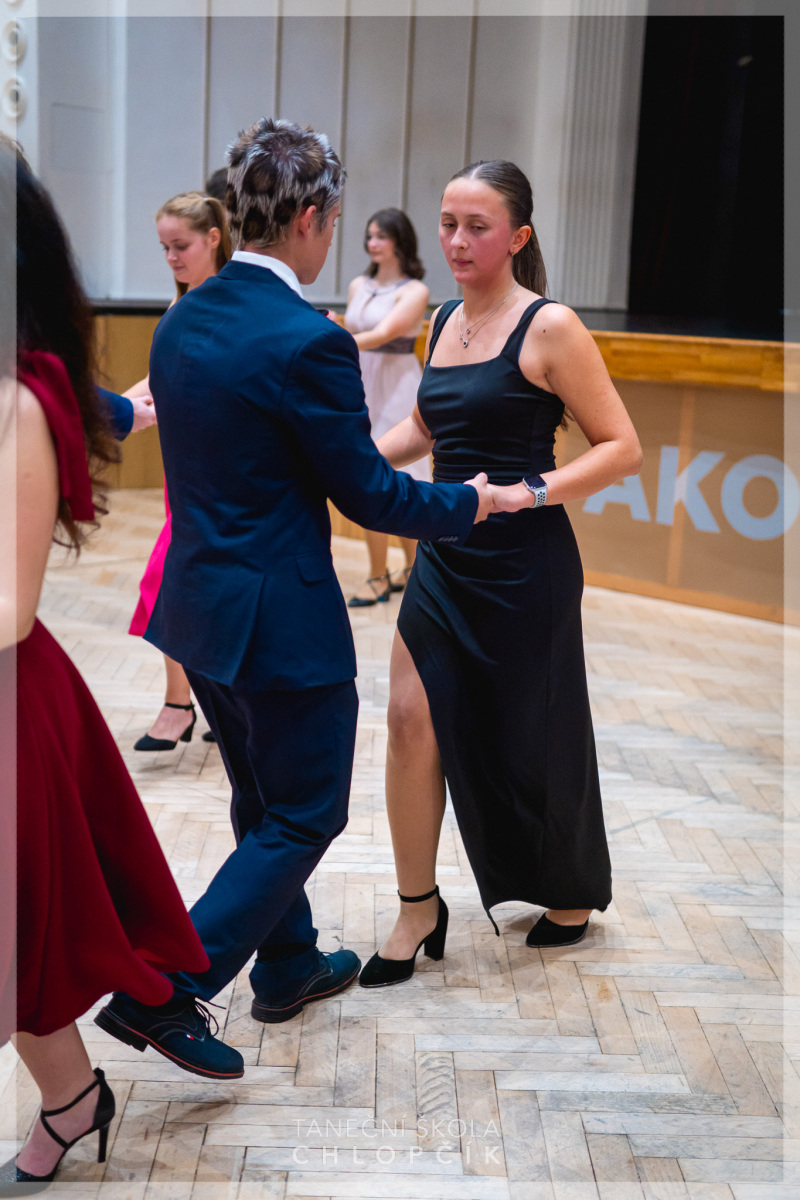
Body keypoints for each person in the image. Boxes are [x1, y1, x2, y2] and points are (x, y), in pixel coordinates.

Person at [93, 119, 517, 1080]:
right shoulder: (307, 341)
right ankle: (167, 986)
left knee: (261, 797)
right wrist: (473, 501)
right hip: (280, 622)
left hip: (199, 609)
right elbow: (369, 495)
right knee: (305, 811)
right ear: (314, 219)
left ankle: (287, 964)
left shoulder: (183, 319)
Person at [358, 159, 643, 989]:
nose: (456, 240)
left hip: (526, 565)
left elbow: (622, 447)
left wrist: (530, 492)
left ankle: (568, 888)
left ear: (517, 237)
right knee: (409, 715)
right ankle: (418, 906)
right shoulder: (443, 317)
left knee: (532, 732)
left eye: (476, 226)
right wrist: (349, 466)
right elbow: (424, 426)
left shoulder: (550, 326)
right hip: (445, 554)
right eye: (448, 223)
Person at [0, 137, 210, 1190]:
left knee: (19, 940)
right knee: (19, 946)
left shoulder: (22, 399)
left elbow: (10, 604)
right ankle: (75, 1099)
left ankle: (76, 1098)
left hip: (6, 698)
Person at [128, 192, 231, 752]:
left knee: (171, 583)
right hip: (183, 467)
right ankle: (188, 702)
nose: (170, 257)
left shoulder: (233, 300)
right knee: (176, 584)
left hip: (221, 468)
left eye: (180, 245)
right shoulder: (180, 304)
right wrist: (117, 409)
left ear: (213, 238)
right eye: (164, 247)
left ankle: (187, 703)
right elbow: (160, 379)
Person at [344, 208, 430, 606]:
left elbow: (384, 333)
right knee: (367, 474)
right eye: (369, 236)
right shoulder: (358, 284)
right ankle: (377, 573)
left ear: (400, 241)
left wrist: (334, 340)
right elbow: (355, 330)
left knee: (404, 475)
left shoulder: (415, 291)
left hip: (399, 384)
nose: (372, 243)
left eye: (381, 236)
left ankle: (413, 568)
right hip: (362, 380)